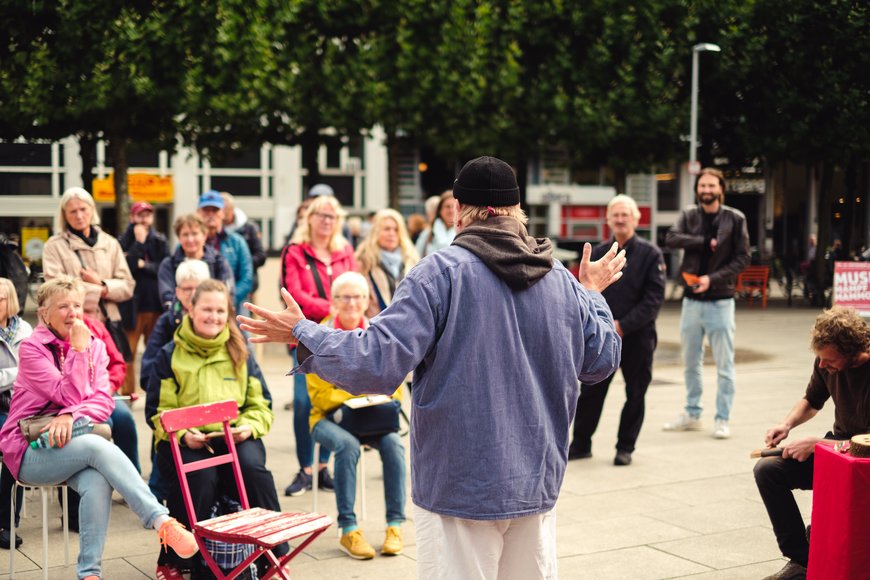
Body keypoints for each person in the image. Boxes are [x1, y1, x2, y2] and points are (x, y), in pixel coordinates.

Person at [241, 155, 625, 580]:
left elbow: (377, 362)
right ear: (518, 212)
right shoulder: (560, 278)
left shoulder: (439, 274)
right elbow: (601, 360)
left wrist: (305, 331)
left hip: (459, 486)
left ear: (459, 210)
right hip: (535, 481)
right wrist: (591, 293)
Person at [0, 276, 197, 580]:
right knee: (97, 447)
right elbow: (69, 393)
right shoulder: (32, 349)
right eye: (63, 306)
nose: (72, 313)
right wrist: (78, 354)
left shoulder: (94, 346)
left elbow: (103, 402)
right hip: (29, 450)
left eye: (77, 305)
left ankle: (89, 574)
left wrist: (68, 416)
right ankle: (160, 520)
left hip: (71, 444)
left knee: (98, 481)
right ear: (43, 313)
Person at [146, 279, 283, 578]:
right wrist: (183, 434)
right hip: (184, 439)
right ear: (190, 309)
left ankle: (272, 552)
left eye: (221, 310)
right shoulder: (169, 355)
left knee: (252, 470)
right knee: (200, 476)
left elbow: (261, 404)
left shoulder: (241, 351)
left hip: (233, 434)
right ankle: (175, 559)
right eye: (207, 309)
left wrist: (247, 428)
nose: (214, 316)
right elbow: (158, 412)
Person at [754, 306, 870, 580]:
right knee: (768, 470)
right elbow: (811, 400)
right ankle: (803, 559)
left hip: (864, 459)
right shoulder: (826, 362)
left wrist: (818, 444)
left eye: (828, 360)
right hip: (838, 449)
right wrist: (787, 424)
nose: (821, 366)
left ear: (851, 352)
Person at [307, 272, 406, 560]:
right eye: (345, 297)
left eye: (358, 297)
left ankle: (394, 525)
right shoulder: (319, 336)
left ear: (366, 302)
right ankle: (348, 529)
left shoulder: (380, 336)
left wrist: (357, 391)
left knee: (395, 445)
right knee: (347, 445)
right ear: (334, 301)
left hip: (373, 419)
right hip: (328, 420)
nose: (351, 303)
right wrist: (363, 392)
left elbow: (396, 387)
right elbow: (320, 395)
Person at [569, 195, 665, 466]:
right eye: (616, 215)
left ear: (636, 219)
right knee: (590, 391)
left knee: (635, 393)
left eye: (626, 214)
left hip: (638, 337)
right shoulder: (597, 252)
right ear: (608, 219)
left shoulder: (650, 254)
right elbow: (583, 292)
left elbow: (653, 300)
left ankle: (625, 447)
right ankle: (580, 444)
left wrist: (622, 325)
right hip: (601, 335)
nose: (621, 219)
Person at [664, 168, 750, 439]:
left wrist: (712, 279)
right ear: (697, 189)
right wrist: (704, 242)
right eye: (702, 185)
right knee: (690, 361)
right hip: (691, 301)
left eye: (711, 185)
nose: (706, 190)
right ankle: (692, 412)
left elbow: (743, 258)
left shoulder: (735, 218)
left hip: (720, 301)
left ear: (720, 188)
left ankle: (722, 418)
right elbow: (671, 238)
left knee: (725, 365)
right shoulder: (689, 215)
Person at [280, 194, 357, 497]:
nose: (327, 220)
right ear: (309, 218)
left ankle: (323, 467)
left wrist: (341, 309)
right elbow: (294, 294)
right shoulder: (295, 252)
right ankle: (306, 468)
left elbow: (355, 286)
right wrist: (333, 306)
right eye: (321, 215)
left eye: (332, 216)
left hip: (338, 338)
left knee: (331, 400)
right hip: (306, 337)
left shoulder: (345, 252)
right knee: (303, 403)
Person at [42, 187, 135, 331]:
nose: (79, 216)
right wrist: (101, 291)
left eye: (83, 209)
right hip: (73, 325)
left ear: (92, 210)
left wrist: (101, 284)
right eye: (73, 211)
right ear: (64, 215)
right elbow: (55, 289)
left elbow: (128, 286)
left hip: (109, 324)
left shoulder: (110, 243)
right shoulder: (53, 246)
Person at [118, 201, 170, 396]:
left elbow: (165, 267)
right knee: (128, 353)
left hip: (156, 306)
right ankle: (128, 394)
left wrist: (144, 265)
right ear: (132, 217)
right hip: (131, 307)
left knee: (156, 352)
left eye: (147, 214)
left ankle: (156, 392)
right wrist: (138, 244)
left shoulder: (160, 240)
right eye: (140, 214)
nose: (144, 218)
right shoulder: (124, 240)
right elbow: (125, 267)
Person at [0, 277, 32, 549]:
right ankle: (4, 522)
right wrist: (18, 373)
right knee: (10, 440)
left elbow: (36, 372)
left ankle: (9, 521)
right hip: (2, 407)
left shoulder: (25, 329)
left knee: (17, 445)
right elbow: (27, 371)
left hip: (23, 407)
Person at [157, 213, 233, 310]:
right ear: (179, 238)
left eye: (194, 233)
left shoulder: (218, 262)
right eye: (185, 234)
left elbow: (228, 293)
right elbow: (167, 297)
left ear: (204, 235)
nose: (190, 239)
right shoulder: (168, 264)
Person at [355, 208, 419, 318]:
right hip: (375, 325)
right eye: (387, 229)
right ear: (376, 231)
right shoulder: (364, 260)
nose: (392, 234)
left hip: (407, 325)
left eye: (396, 229)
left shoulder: (412, 259)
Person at [197, 190, 253, 314]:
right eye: (206, 210)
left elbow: (247, 277)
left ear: (223, 213)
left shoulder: (237, 242)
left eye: (215, 210)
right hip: (199, 305)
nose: (211, 214)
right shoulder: (190, 242)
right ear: (198, 213)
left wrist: (228, 299)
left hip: (234, 304)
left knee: (242, 333)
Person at [221, 192, 266, 298]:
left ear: (232, 210)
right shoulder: (216, 230)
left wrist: (242, 264)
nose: (222, 216)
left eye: (225, 213)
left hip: (246, 284)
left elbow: (261, 255)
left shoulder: (249, 228)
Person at [415, 190, 457, 258]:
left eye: (453, 206)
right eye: (447, 206)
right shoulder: (428, 234)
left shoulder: (463, 233)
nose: (451, 210)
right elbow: (415, 256)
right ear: (440, 210)